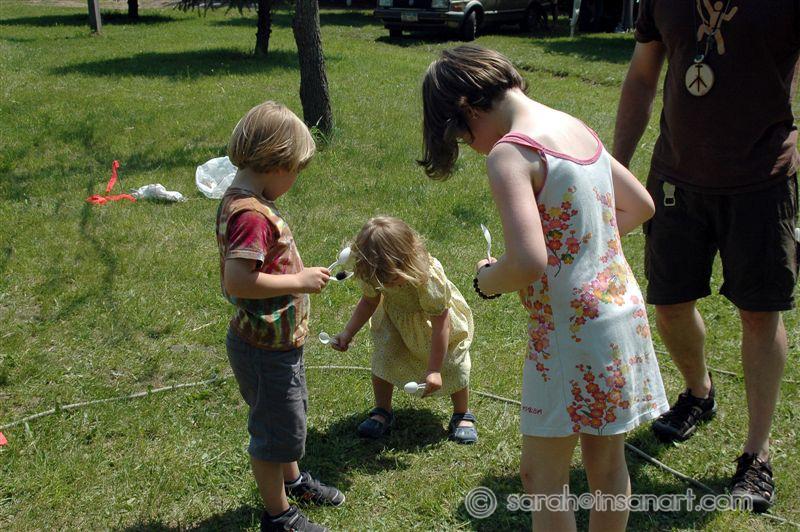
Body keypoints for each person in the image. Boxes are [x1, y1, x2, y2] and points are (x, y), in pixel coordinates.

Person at [419, 44, 668, 531]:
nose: (474, 147)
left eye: (463, 138)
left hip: (569, 335)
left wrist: (487, 279)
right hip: (619, 317)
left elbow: (528, 262)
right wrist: (583, 243)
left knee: (541, 477)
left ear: (467, 109)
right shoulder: (575, 127)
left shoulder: (510, 153)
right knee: (606, 467)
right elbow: (640, 206)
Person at [613, 0, 799, 512]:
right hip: (676, 177)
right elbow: (642, 77)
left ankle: (757, 454)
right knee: (670, 304)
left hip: (763, 181)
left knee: (760, 313)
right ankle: (699, 391)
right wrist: (614, 169)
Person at [216, 101, 344, 532]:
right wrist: (298, 281)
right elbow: (238, 281)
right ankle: (278, 515)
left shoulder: (247, 199)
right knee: (273, 434)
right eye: (295, 171)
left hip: (274, 343)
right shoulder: (251, 215)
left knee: (285, 421)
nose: (294, 180)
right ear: (275, 163)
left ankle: (294, 481)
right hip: (263, 347)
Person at [330, 216, 477, 444]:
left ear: (407, 261)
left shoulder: (426, 277)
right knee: (384, 358)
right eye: (380, 279)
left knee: (453, 362)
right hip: (396, 321)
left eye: (391, 278)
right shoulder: (372, 269)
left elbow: (441, 321)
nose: (386, 284)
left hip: (434, 324)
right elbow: (369, 301)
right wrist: (347, 333)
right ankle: (382, 410)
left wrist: (434, 369)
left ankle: (462, 414)